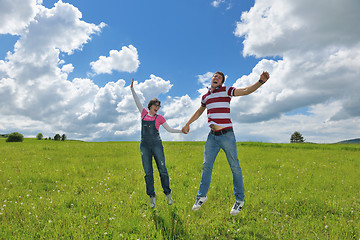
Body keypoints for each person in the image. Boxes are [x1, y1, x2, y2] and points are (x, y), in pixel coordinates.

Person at [182, 71, 270, 216]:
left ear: (222, 82)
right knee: (206, 166)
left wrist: (260, 82)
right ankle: (201, 197)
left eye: (219, 77)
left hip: (227, 135)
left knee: (234, 166)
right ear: (211, 80)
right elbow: (199, 111)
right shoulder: (206, 97)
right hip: (212, 137)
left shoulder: (226, 90)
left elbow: (246, 91)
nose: (216, 78)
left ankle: (239, 200)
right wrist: (187, 124)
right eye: (214, 76)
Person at [130, 78, 183, 208]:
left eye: (159, 106)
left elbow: (169, 129)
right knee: (148, 172)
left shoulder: (160, 118)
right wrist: (132, 89)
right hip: (144, 146)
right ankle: (152, 197)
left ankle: (167, 194)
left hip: (157, 145)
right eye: (156, 106)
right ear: (150, 106)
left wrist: (181, 131)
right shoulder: (143, 113)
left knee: (163, 170)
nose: (157, 108)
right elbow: (137, 101)